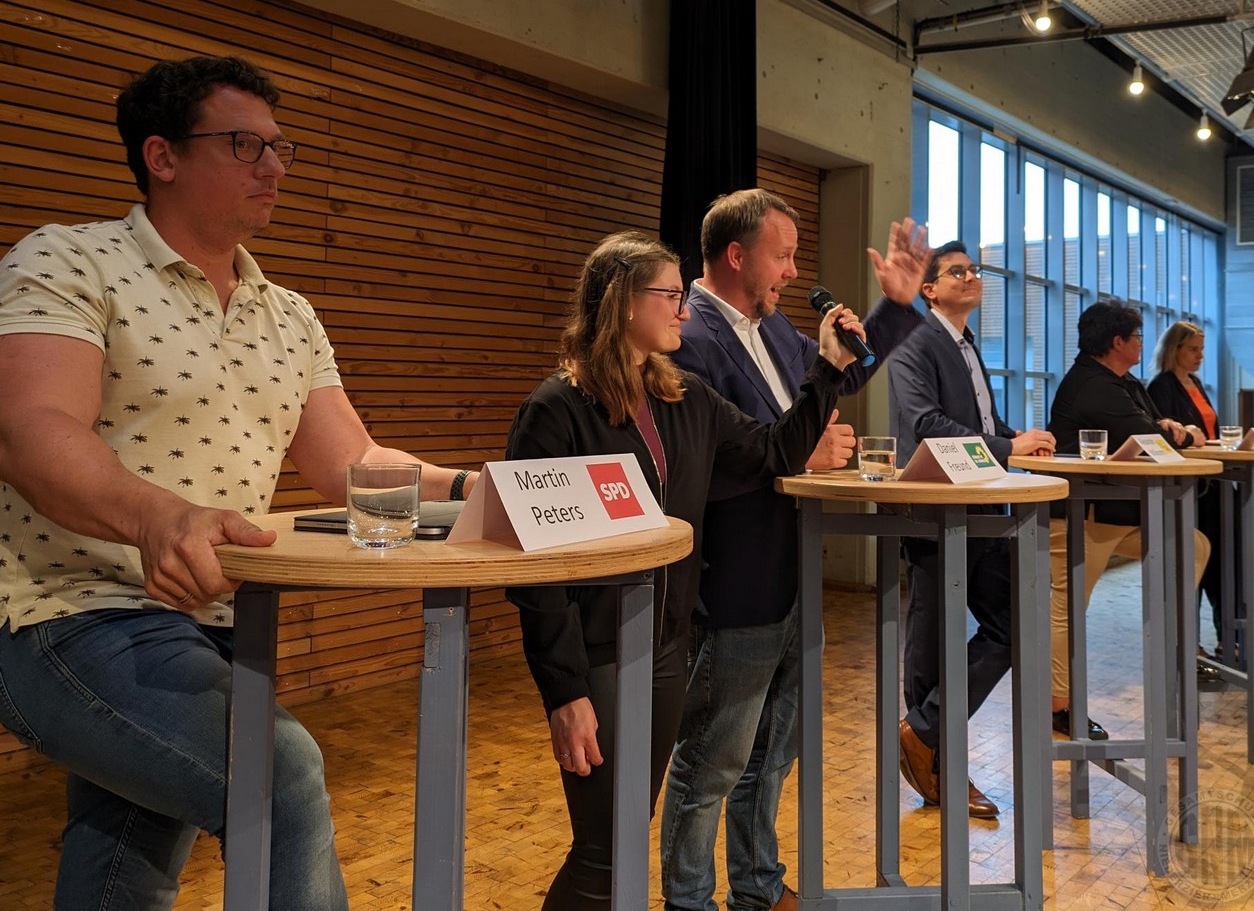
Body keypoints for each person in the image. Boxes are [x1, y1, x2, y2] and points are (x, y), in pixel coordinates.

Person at [0, 55, 476, 910]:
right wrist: (158, 518)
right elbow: (31, 430)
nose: (274, 166)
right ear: (162, 156)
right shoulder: (70, 261)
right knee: (277, 776)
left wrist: (478, 489)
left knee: (122, 855)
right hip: (64, 612)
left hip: (217, 620)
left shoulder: (288, 312)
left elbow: (351, 465)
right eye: (244, 144)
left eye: (281, 147)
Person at [504, 230, 862, 911]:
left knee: (620, 838)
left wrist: (827, 369)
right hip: (597, 655)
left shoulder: (684, 397)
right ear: (620, 302)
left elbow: (773, 453)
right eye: (669, 295)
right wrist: (564, 691)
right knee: (604, 849)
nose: (683, 310)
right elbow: (536, 569)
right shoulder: (555, 411)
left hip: (663, 648)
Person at [659, 189, 926, 911]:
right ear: (737, 255)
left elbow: (834, 373)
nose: (792, 269)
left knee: (773, 755)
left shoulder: (773, 329)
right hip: (733, 575)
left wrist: (893, 310)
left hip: (794, 569)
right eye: (782, 255)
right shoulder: (687, 336)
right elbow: (705, 459)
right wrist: (800, 457)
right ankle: (689, 899)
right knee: (714, 759)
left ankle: (757, 886)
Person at [886, 241, 1056, 818]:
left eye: (973, 269)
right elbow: (928, 425)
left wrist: (1020, 436)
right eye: (957, 271)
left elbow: (982, 422)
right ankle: (938, 769)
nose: (971, 277)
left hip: (983, 507)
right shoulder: (916, 339)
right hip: (938, 510)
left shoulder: (965, 343)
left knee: (1016, 623)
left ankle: (922, 733)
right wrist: (1010, 446)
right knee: (929, 647)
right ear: (929, 288)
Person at [1045, 301, 1209, 738]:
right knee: (1065, 610)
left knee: (1191, 544)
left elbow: (1153, 422)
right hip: (1081, 517)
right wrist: (1174, 429)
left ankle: (1170, 646)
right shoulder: (1092, 384)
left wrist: (1170, 427)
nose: (1142, 343)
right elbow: (1153, 434)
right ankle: (1057, 707)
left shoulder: (1121, 380)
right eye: (1136, 336)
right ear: (1117, 342)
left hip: (1115, 516)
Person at [1148, 321, 1239, 666]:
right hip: (1190, 490)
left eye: (1202, 349)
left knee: (1222, 564)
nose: (1200, 356)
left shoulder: (1197, 383)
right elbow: (1168, 441)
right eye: (1193, 349)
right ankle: (1187, 646)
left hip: (1214, 485)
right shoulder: (1162, 387)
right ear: (1175, 350)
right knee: (1193, 567)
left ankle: (1227, 641)